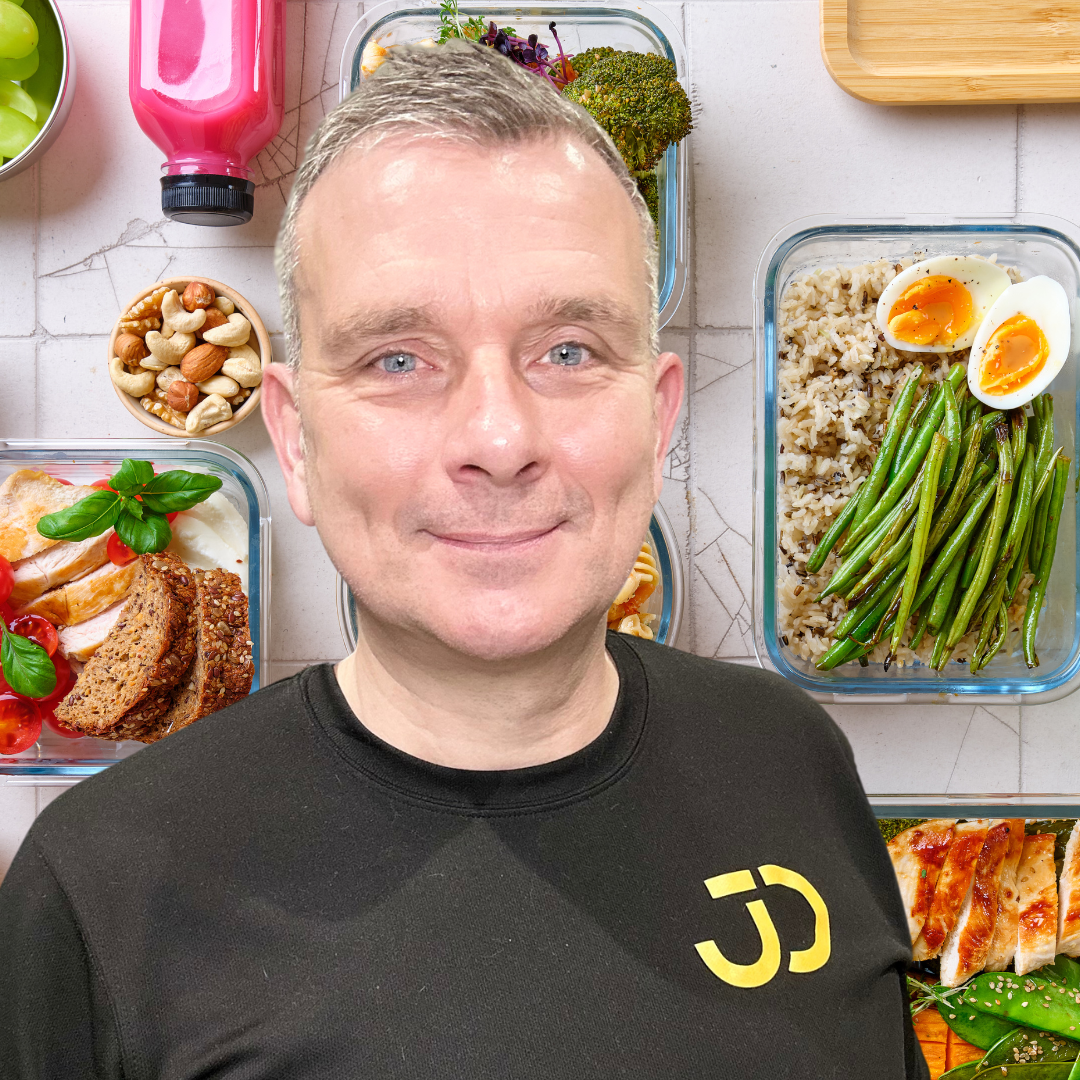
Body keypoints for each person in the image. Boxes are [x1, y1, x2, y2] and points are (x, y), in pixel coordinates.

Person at [0, 41, 926, 1080]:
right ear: (296, 443)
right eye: (398, 359)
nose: (498, 436)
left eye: (567, 351)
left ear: (657, 419)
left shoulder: (789, 753)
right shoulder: (100, 890)